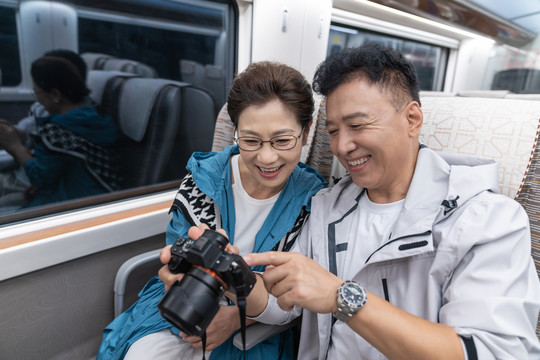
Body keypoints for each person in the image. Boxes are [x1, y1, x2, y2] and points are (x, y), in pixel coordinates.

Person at [174, 43, 540, 359]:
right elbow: (282, 307)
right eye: (333, 130)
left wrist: (342, 297)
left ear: (412, 119)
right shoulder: (328, 206)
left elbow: (492, 352)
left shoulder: (488, 220)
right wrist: (233, 274)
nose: (342, 146)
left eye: (358, 125)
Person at [97, 61, 327, 360]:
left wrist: (234, 315)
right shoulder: (204, 177)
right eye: (250, 140)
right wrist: (175, 272)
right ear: (236, 133)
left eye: (283, 140)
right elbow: (177, 258)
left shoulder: (314, 202)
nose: (267, 157)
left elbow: (290, 304)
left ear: (306, 133)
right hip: (184, 306)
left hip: (255, 324)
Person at [0, 55, 118, 208]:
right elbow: (64, 168)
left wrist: (15, 147)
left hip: (73, 204)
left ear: (55, 95)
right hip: (94, 195)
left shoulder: (57, 131)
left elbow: (39, 177)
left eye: (37, 94)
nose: (37, 100)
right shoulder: (92, 120)